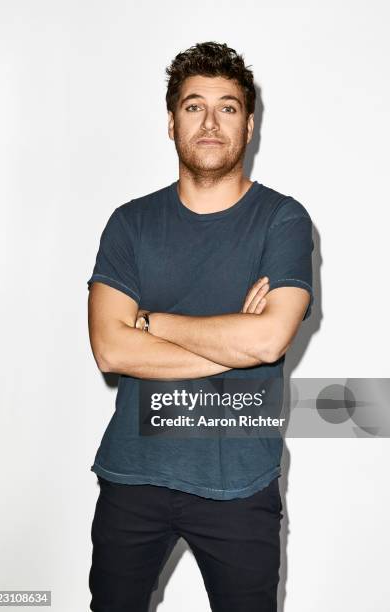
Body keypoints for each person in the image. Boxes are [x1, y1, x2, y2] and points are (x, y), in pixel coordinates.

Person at [87, 41, 314, 612]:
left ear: (250, 124)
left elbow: (267, 339)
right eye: (194, 106)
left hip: (239, 483)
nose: (211, 122)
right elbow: (112, 350)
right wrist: (235, 342)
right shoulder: (130, 223)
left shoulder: (282, 219)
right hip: (132, 475)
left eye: (228, 107)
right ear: (171, 123)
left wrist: (155, 323)